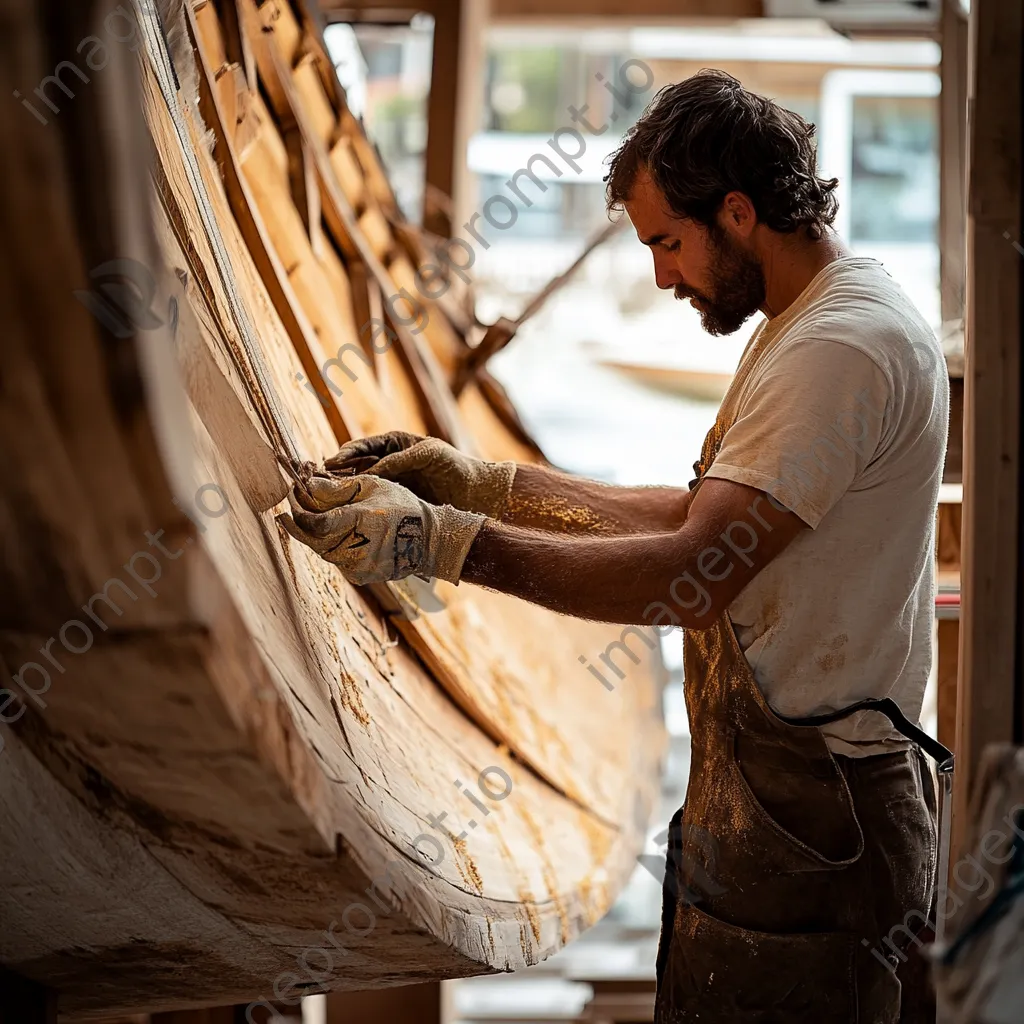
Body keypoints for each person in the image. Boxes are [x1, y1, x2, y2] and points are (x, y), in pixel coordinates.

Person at [280, 69, 948, 1023]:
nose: (662, 276)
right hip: (782, 807)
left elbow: (689, 576)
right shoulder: (811, 319)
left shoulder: (838, 349)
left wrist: (449, 546)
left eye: (668, 244)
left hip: (825, 827)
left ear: (738, 211)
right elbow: (695, 517)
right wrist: (487, 483)